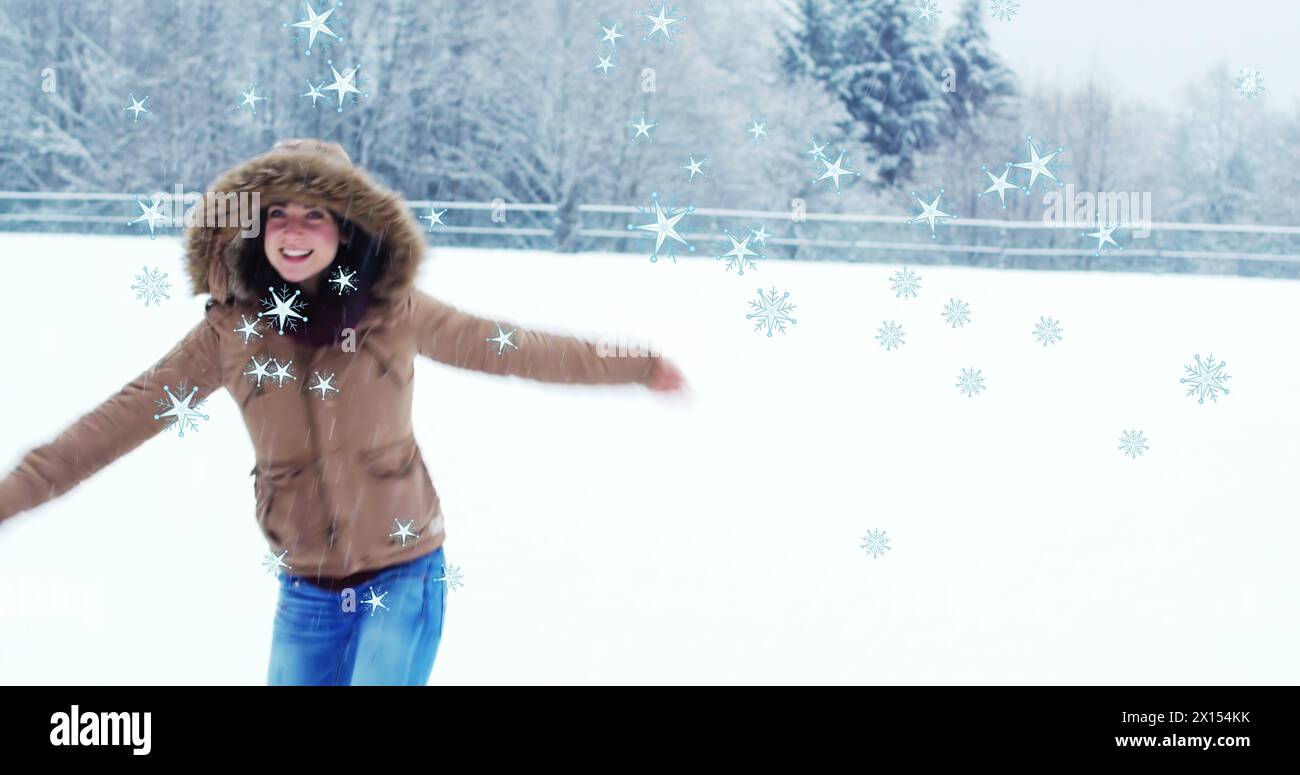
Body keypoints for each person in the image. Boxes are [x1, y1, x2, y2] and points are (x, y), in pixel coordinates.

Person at [0, 138, 686, 685]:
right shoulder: (230, 334)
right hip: (308, 587)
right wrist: (12, 495)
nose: (294, 232)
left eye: (315, 215)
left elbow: (512, 348)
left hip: (404, 573)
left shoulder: (395, 313)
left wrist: (632, 360)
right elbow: (118, 420)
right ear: (254, 229)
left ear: (346, 228)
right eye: (278, 215)